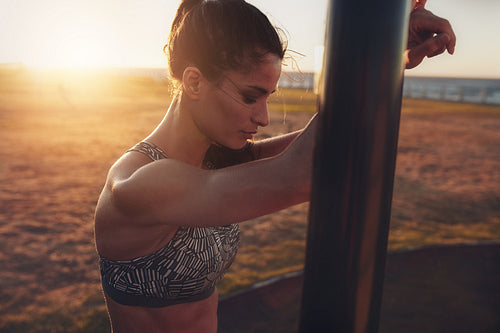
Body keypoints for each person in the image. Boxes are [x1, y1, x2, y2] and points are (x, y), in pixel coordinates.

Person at [94, 0, 455, 332]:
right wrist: (376, 50)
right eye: (250, 97)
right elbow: (306, 172)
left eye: (268, 97)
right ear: (193, 82)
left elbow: (323, 145)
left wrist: (389, 49)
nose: (264, 118)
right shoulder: (139, 184)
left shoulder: (214, 158)